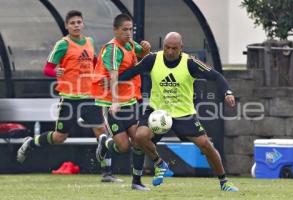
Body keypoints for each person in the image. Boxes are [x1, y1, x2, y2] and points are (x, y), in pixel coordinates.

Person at [119, 32, 239, 192]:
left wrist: (228, 92)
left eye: (174, 48)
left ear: (181, 48)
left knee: (206, 145)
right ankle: (156, 167)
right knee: (139, 138)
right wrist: (111, 79)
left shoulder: (190, 62)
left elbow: (216, 76)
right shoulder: (153, 59)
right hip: (157, 112)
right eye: (167, 47)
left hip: (183, 114)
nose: (169, 51)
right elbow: (131, 72)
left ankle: (224, 182)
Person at [16, 10, 122, 183]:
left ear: (83, 24)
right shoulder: (62, 44)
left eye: (79, 22)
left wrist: (103, 77)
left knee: (102, 133)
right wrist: (55, 71)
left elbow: (95, 63)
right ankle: (31, 142)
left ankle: (107, 173)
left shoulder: (89, 41)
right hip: (70, 98)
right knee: (59, 137)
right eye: (72, 23)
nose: (76, 25)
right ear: (67, 26)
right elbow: (47, 68)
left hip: (89, 97)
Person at [91, 14, 151, 191]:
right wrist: (115, 102)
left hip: (130, 100)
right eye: (124, 29)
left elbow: (142, 55)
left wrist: (146, 49)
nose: (128, 33)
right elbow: (114, 76)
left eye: (130, 29)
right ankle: (105, 142)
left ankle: (137, 182)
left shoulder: (131, 43)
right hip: (110, 102)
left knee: (138, 141)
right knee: (123, 146)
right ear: (115, 30)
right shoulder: (112, 49)